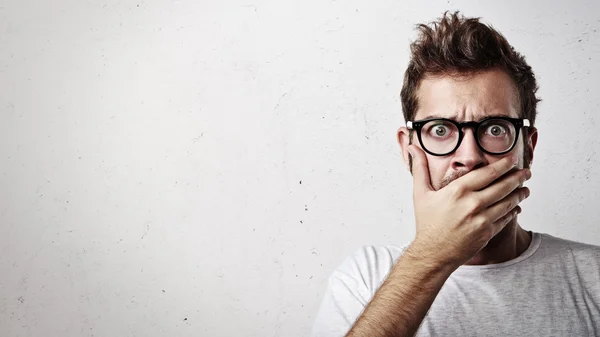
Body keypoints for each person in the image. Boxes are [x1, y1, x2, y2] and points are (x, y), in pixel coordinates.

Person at [311, 11, 600, 337]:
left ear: (528, 148)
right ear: (408, 150)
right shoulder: (363, 279)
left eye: (494, 128)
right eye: (440, 129)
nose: (469, 157)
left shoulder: (593, 275)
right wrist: (430, 255)